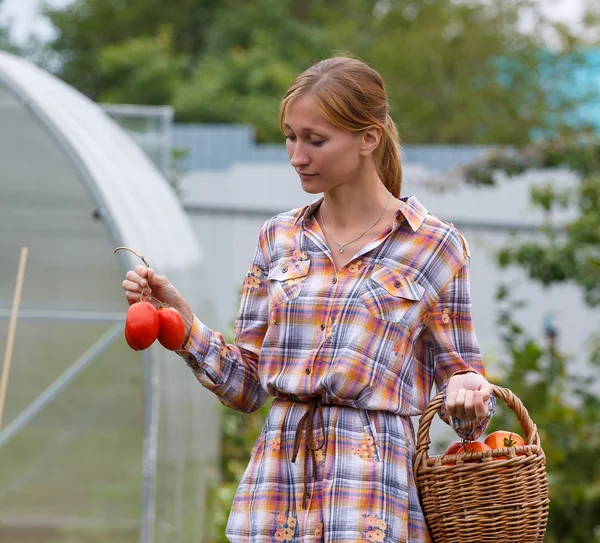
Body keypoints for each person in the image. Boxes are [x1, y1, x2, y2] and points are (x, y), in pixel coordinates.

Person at [122, 56, 495, 543]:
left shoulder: (433, 245)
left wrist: (469, 392)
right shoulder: (277, 238)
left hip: (370, 499)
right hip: (274, 493)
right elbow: (249, 387)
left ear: (368, 138)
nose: (297, 155)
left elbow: (462, 384)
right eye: (290, 137)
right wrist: (181, 320)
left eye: (315, 140)